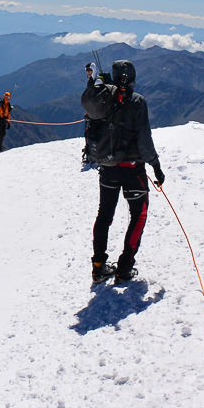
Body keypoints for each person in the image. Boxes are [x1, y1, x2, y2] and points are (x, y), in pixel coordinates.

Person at [81, 60, 165, 284]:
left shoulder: (104, 100)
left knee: (104, 215)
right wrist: (156, 165)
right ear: (133, 77)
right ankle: (124, 268)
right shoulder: (137, 102)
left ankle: (98, 268)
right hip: (133, 170)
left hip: (108, 168)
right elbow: (144, 140)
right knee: (139, 215)